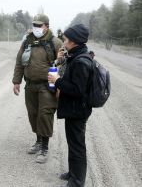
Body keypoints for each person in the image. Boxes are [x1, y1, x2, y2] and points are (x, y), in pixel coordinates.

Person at [12, 14, 63, 164]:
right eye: (34, 25)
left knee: (44, 115)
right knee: (33, 114)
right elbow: (19, 61)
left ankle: (45, 147)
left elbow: (63, 64)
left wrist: (60, 83)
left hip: (48, 86)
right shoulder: (27, 41)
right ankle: (38, 140)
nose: (36, 28)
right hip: (30, 85)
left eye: (39, 25)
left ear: (46, 26)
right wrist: (16, 81)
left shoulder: (55, 42)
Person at [48, 24, 92, 187]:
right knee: (72, 143)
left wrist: (57, 81)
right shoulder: (75, 55)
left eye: (66, 39)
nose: (64, 42)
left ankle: (78, 181)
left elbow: (78, 90)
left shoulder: (81, 61)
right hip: (73, 109)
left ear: (74, 42)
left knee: (77, 146)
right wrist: (60, 60)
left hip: (78, 110)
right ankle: (73, 173)